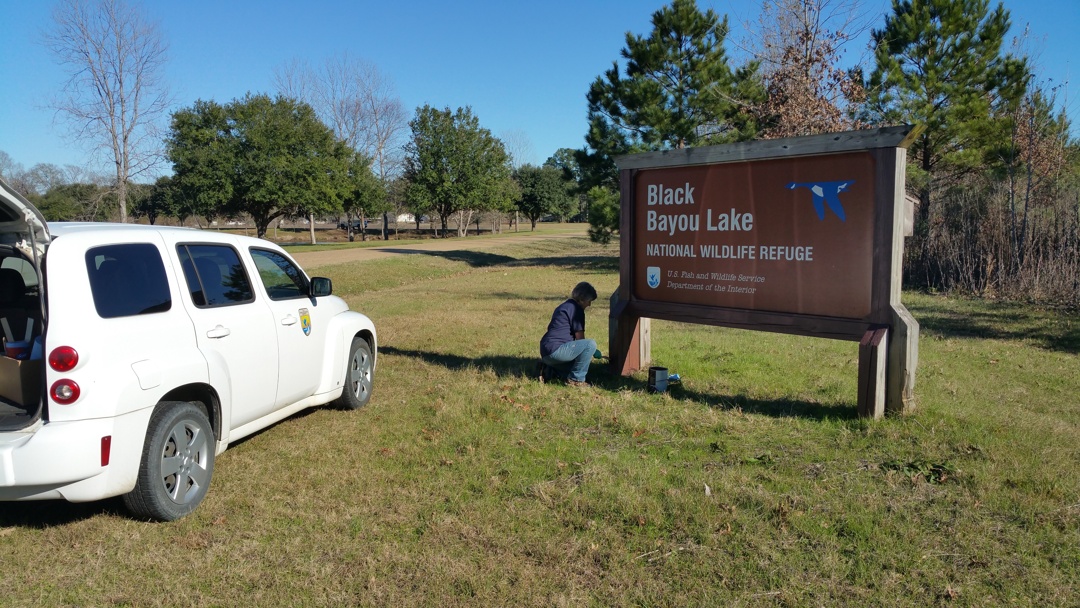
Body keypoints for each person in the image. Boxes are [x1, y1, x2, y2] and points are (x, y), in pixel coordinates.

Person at [539, 281, 598, 387]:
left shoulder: (565, 306)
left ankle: (549, 370)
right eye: (589, 301)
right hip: (557, 350)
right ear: (581, 299)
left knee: (576, 367)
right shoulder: (577, 310)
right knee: (590, 344)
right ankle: (576, 380)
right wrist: (592, 351)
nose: (589, 304)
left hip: (545, 351)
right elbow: (581, 339)